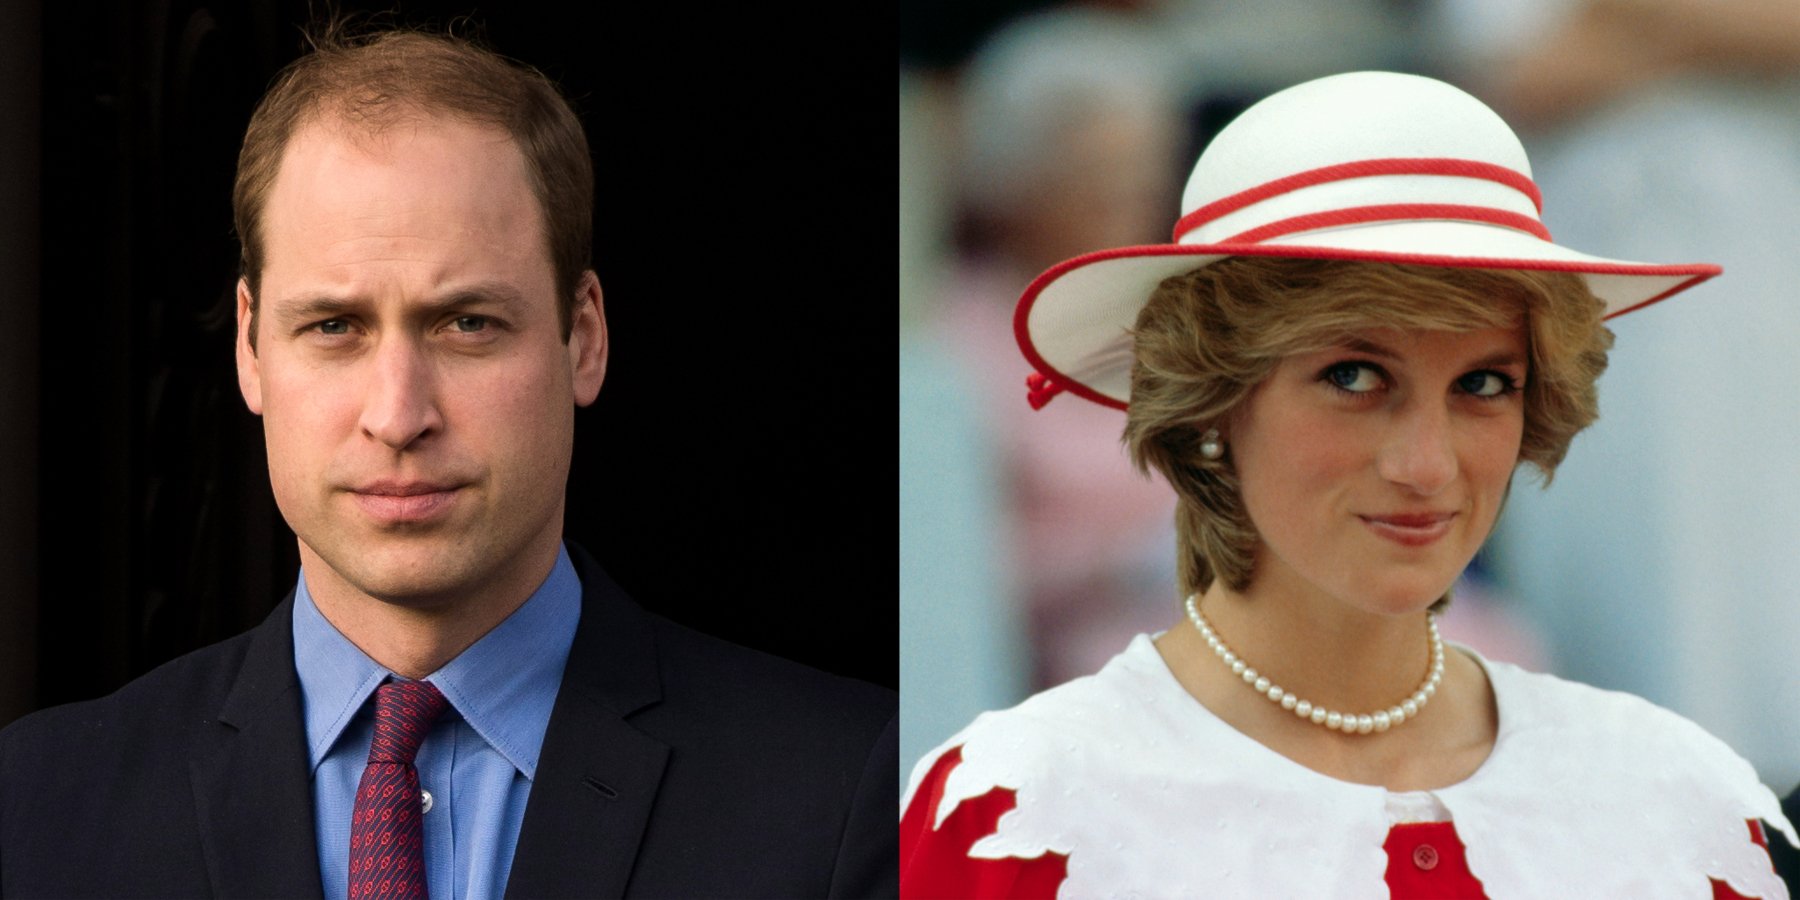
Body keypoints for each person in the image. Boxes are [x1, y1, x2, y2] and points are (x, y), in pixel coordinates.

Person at [0, 26, 896, 899]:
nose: (398, 415)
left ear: (582, 338)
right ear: (249, 348)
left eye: (467, 324)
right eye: (333, 327)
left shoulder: (856, 795)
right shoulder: (38, 803)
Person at [898, 70, 1794, 897]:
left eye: (1483, 384)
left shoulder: (1681, 802)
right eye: (1355, 378)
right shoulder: (1016, 812)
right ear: (1213, 399)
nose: (1427, 465)